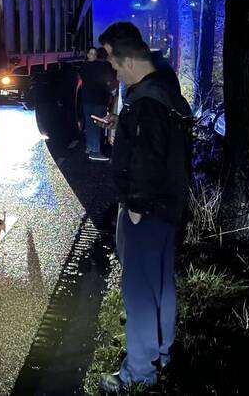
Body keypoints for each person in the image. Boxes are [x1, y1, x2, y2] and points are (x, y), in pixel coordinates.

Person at [94, 24, 192, 393]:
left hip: (146, 209)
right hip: (167, 207)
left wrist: (135, 204)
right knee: (161, 285)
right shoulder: (162, 88)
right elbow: (159, 142)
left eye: (114, 63)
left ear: (130, 59)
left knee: (137, 289)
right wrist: (124, 123)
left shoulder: (147, 102)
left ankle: (138, 372)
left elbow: (149, 157)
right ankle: (162, 352)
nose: (114, 71)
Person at [80, 46, 117, 161]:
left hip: (87, 99)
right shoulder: (105, 66)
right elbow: (110, 82)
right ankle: (95, 152)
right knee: (98, 124)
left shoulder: (84, 66)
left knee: (90, 124)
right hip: (99, 100)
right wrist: (113, 91)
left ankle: (90, 147)